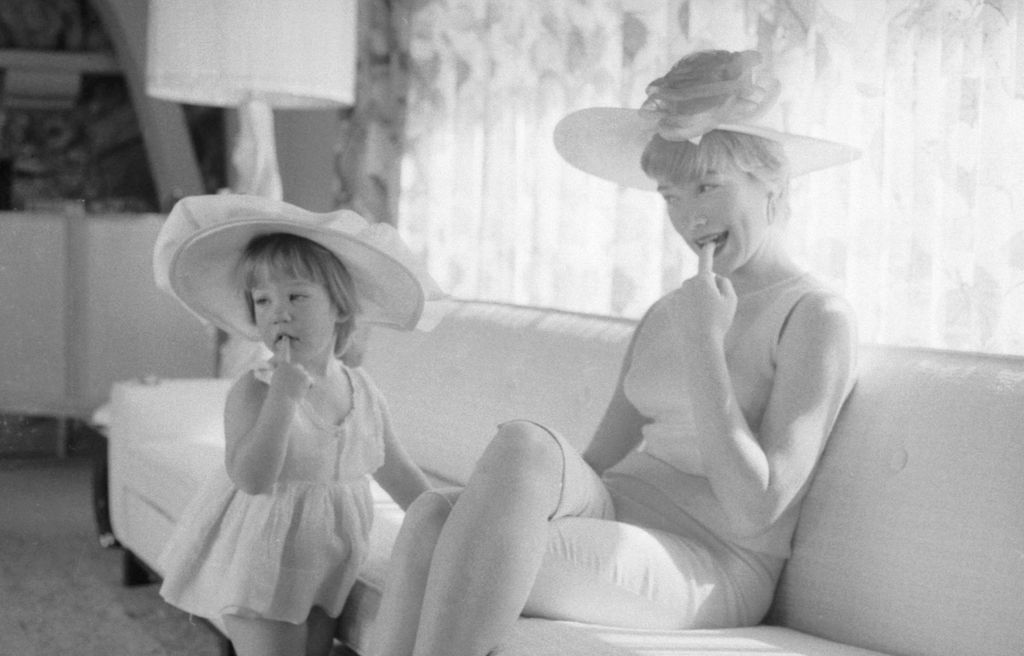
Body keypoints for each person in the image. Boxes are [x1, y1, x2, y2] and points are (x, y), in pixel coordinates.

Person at [369, 49, 861, 656]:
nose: (690, 217)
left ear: (773, 185)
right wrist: (507, 505)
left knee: (460, 532)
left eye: (708, 185)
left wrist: (704, 344)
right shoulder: (670, 309)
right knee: (452, 500)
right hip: (619, 509)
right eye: (671, 195)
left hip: (711, 560)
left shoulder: (815, 315)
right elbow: (599, 458)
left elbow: (757, 509)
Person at [151, 194, 445, 656]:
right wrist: (284, 396)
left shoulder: (361, 388)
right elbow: (251, 477)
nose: (278, 312)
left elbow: (397, 469)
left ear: (340, 308)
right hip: (262, 562)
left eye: (297, 296)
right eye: (262, 300)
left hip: (328, 561)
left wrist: (446, 525)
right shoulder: (255, 390)